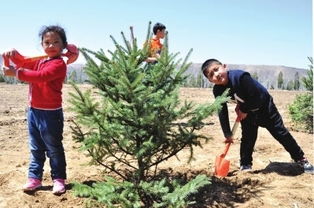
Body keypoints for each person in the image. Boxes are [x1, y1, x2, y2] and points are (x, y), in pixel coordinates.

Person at [201, 58, 314, 174]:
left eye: (216, 69)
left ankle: (301, 159)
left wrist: (243, 109)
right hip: (248, 113)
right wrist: (227, 133)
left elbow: (258, 97)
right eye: (211, 74)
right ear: (210, 80)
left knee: (281, 133)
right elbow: (222, 111)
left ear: (224, 66)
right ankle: (245, 164)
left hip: (265, 108)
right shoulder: (218, 91)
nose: (216, 74)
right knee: (247, 138)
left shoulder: (241, 77)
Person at [2, 25, 69, 194]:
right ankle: (34, 178)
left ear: (63, 45)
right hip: (33, 111)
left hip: (51, 113)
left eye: (56, 42)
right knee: (35, 147)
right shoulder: (39, 60)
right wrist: (11, 54)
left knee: (54, 148)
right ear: (42, 44)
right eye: (47, 42)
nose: (51, 45)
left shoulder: (58, 64)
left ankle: (59, 179)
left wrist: (16, 73)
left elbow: (41, 77)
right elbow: (23, 61)